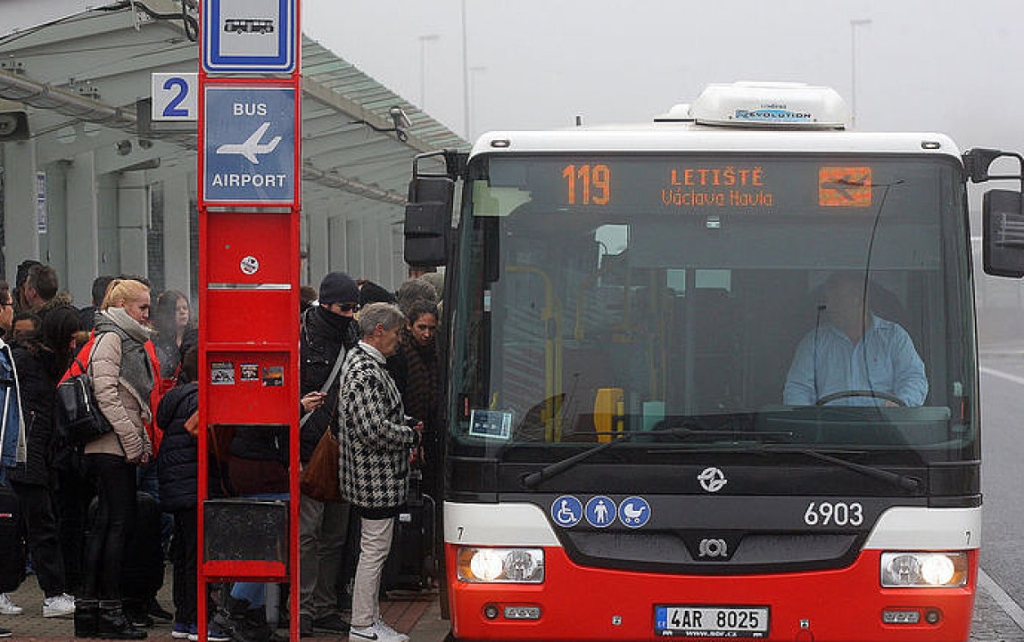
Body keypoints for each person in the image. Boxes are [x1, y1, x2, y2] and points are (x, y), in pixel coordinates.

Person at [75, 278, 154, 640]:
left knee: (107, 525)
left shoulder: (115, 336)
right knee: (115, 525)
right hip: (111, 447)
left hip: (109, 446)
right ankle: (108, 610)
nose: (147, 315)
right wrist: (131, 439)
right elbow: (105, 393)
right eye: (142, 308)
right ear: (124, 307)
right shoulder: (112, 337)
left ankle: (91, 610)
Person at [339, 303, 421, 642]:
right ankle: (362, 623)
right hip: (374, 479)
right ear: (379, 331)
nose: (399, 339)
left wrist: (402, 424)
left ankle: (370, 619)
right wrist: (410, 434)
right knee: (374, 552)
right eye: (397, 332)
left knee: (373, 550)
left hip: (371, 478)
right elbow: (372, 429)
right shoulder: (365, 370)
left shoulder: (363, 364)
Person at [7, 305, 81, 620]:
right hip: (27, 455)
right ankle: (53, 594)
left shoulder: (27, 362)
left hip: (27, 453)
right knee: (39, 526)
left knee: (22, 526)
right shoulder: (33, 365)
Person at [297, 271, 360, 637]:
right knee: (308, 533)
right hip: (310, 446)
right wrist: (299, 407)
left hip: (341, 445)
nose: (350, 313)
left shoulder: (349, 334)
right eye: (344, 307)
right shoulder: (302, 335)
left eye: (354, 307)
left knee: (334, 535)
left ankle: (322, 606)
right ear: (327, 303)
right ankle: (304, 609)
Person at [156, 347, 231, 642]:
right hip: (197, 484)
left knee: (184, 553)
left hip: (177, 486)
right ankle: (199, 617)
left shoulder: (174, 397)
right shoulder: (205, 398)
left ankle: (184, 617)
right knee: (199, 555)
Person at [783, 273, 928, 407]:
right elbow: (797, 388)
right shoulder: (814, 341)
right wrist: (807, 421)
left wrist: (900, 404)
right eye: (828, 300)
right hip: (829, 429)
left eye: (837, 299)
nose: (829, 306)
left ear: (859, 299)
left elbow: (914, 379)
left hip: (882, 428)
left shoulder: (894, 337)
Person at [387, 300, 441, 498]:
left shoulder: (437, 351)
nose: (427, 334)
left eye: (432, 328)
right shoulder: (399, 353)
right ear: (409, 325)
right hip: (408, 430)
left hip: (429, 431)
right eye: (422, 327)